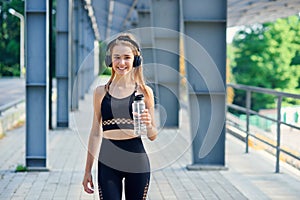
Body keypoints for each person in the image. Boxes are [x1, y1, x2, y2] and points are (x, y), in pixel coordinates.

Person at [82, 32, 158, 200]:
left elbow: (153, 135)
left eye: (126, 57)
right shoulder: (100, 92)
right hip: (108, 161)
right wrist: (87, 170)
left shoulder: (145, 92)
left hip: (137, 161)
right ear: (110, 60)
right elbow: (95, 133)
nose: (121, 63)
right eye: (117, 57)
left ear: (135, 60)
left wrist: (148, 125)